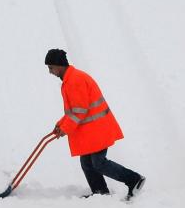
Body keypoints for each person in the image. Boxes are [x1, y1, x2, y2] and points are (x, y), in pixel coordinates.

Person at [45, 48, 146, 200]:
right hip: (92, 130)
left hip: (98, 129)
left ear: (59, 65)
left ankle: (134, 179)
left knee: (99, 163)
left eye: (50, 68)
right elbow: (73, 111)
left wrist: (65, 128)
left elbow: (80, 111)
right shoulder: (70, 79)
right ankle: (100, 192)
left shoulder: (75, 80)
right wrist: (61, 124)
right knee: (86, 162)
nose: (50, 72)